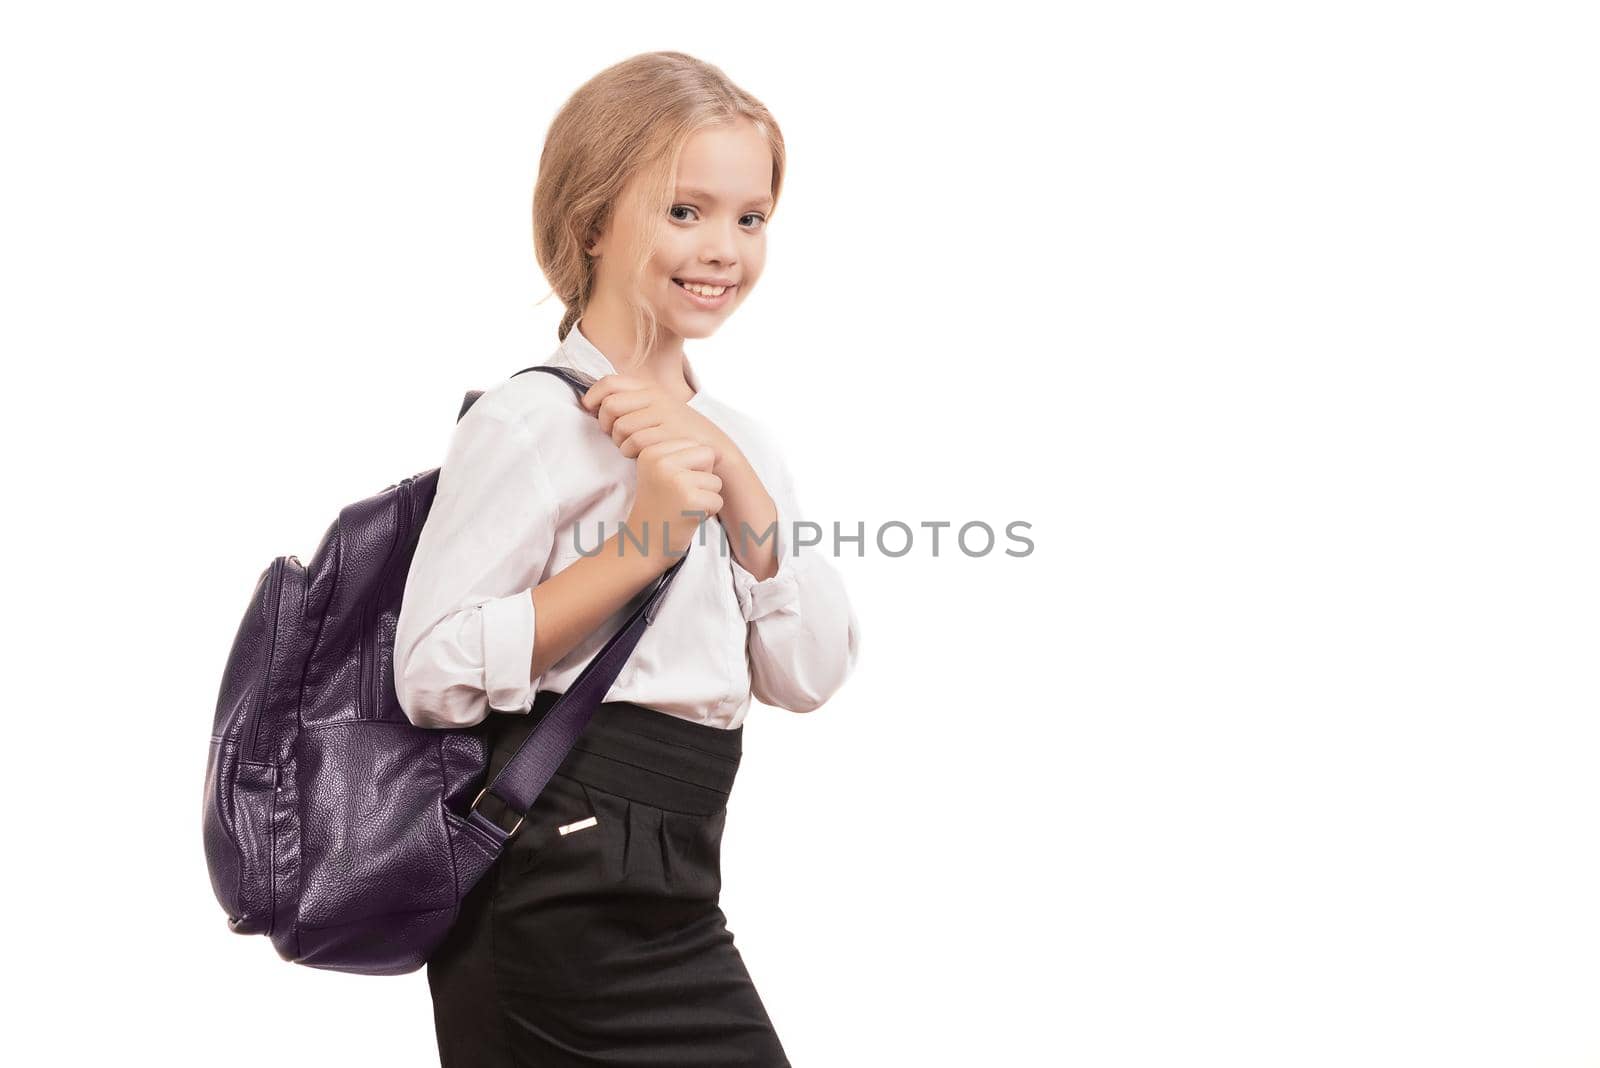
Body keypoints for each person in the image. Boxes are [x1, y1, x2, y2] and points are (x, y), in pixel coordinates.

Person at [393, 50, 861, 1067]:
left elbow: (808, 675)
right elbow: (430, 671)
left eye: (751, 216)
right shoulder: (530, 424)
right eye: (684, 211)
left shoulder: (741, 441)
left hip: (681, 881)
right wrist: (642, 541)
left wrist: (736, 482)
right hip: (555, 881)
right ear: (593, 220)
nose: (724, 249)